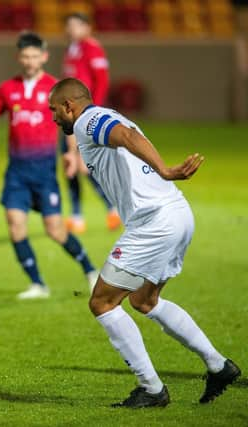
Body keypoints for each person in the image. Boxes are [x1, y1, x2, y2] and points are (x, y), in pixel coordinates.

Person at [48, 78, 241, 408]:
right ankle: (218, 366)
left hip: (154, 223)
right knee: (144, 300)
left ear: (69, 106)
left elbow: (127, 137)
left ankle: (151, 388)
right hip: (177, 214)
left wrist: (165, 170)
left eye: (55, 111)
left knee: (102, 302)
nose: (54, 118)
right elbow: (126, 135)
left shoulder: (87, 121)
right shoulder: (105, 117)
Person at [0, 32, 97, 300]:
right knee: (15, 225)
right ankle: (37, 284)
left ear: (44, 57)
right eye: (25, 56)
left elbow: (72, 123)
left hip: (45, 173)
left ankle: (91, 271)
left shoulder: (56, 89)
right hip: (17, 173)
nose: (30, 60)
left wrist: (73, 154)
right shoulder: (7, 89)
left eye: (35, 55)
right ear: (19, 57)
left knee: (55, 230)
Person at [61, 12, 120, 234]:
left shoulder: (92, 47)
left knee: (85, 166)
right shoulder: (72, 48)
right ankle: (77, 215)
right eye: (69, 25)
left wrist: (93, 110)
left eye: (76, 25)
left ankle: (113, 206)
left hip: (84, 115)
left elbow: (102, 81)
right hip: (69, 114)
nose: (71, 29)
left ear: (87, 27)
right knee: (70, 166)